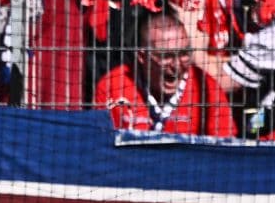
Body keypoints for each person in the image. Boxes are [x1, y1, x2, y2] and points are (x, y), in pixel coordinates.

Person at [95, 11, 236, 137]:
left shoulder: (207, 90)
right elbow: (99, 147)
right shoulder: (112, 86)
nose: (176, 65)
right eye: (166, 56)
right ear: (142, 56)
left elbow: (225, 152)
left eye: (184, 54)